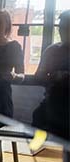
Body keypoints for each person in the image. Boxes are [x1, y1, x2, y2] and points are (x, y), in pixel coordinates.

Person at [33, 10, 69, 140]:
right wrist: (54, 76)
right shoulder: (52, 51)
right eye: (60, 28)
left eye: (66, 28)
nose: (61, 31)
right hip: (52, 102)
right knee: (38, 116)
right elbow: (38, 76)